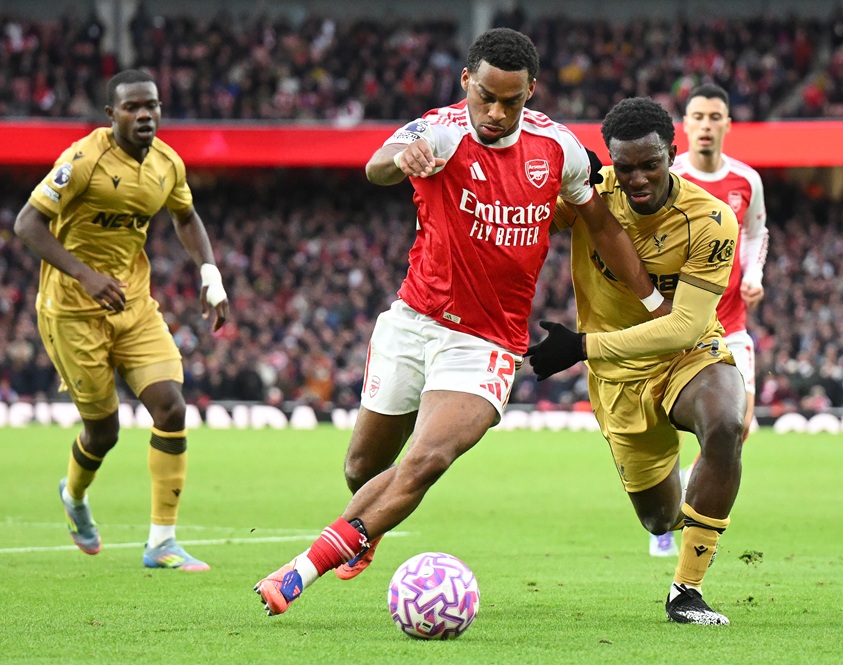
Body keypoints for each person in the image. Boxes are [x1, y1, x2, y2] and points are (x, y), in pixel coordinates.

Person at [253, 28, 665, 616]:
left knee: (426, 459)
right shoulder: (436, 131)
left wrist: (654, 303)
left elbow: (601, 225)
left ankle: (300, 571)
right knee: (362, 468)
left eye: (513, 101)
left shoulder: (558, 148)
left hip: (488, 343)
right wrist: (402, 157)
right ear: (466, 81)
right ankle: (365, 528)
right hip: (414, 320)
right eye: (486, 98)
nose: (497, 113)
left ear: (531, 91)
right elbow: (375, 167)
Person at [526, 97, 745, 625]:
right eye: (625, 167)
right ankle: (681, 489)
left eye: (651, 163)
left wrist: (579, 347)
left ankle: (686, 593)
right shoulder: (590, 196)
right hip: (619, 380)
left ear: (673, 152)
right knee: (658, 518)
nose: (639, 177)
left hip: (686, 356)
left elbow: (685, 326)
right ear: (610, 162)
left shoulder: (711, 220)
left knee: (726, 423)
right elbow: (523, 220)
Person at [14, 69, 229, 571]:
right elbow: (28, 223)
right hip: (71, 310)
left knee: (172, 409)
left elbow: (185, 215)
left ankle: (161, 543)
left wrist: (210, 274)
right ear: (111, 115)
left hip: (133, 305)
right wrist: (85, 275)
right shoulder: (83, 160)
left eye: (151, 105)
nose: (145, 115)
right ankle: (73, 494)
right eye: (132, 107)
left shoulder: (167, 164)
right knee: (103, 432)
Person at [649, 83, 768, 557]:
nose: (705, 125)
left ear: (727, 125)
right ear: (685, 124)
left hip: (731, 326)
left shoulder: (746, 180)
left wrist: (754, 274)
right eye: (697, 116)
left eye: (715, 117)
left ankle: (687, 496)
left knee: (736, 427)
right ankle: (663, 512)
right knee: (659, 424)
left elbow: (757, 233)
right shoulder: (669, 177)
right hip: (676, 325)